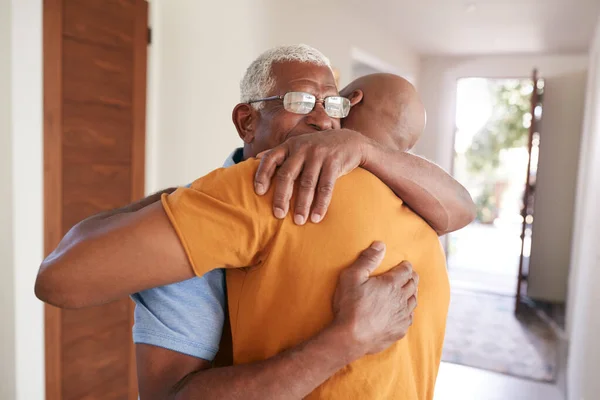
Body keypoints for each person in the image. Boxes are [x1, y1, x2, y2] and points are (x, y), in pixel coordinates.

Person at [35, 45, 474, 399]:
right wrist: (345, 341)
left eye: (332, 105)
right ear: (247, 121)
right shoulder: (244, 195)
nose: (323, 120)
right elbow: (61, 278)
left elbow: (462, 207)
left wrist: (364, 149)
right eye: (300, 101)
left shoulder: (399, 186)